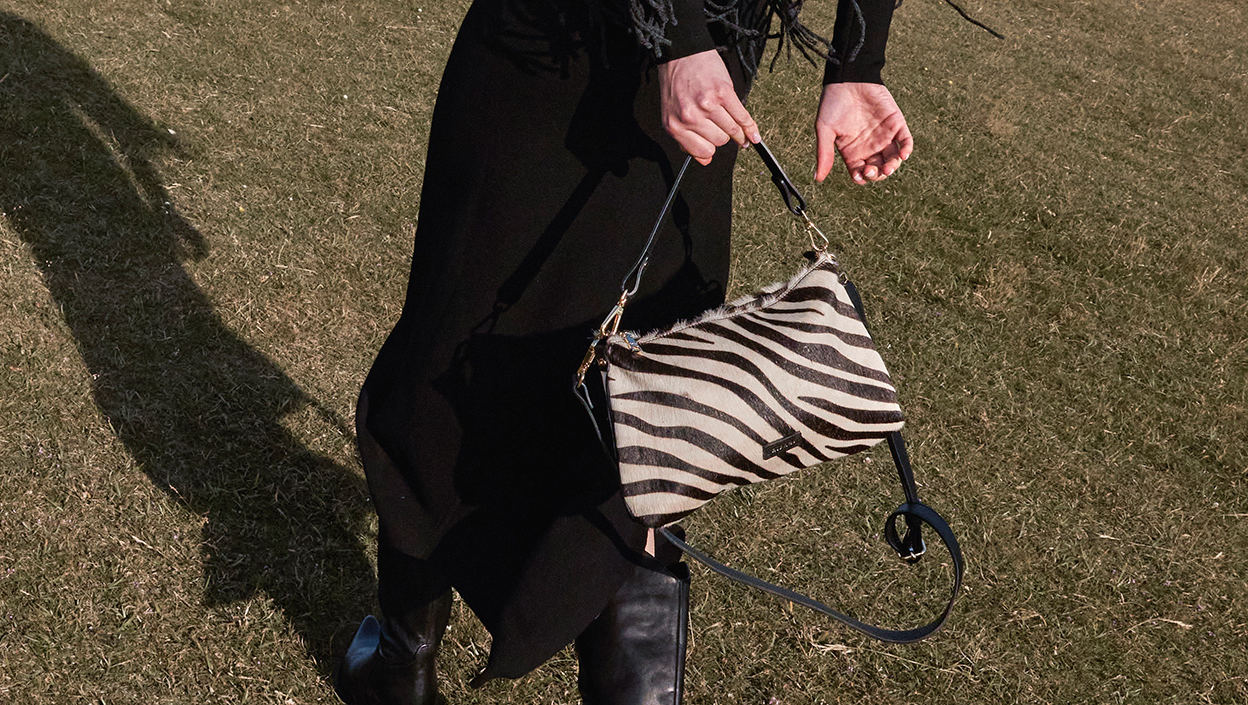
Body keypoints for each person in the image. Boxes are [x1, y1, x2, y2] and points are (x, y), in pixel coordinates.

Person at [337, 0, 911, 702]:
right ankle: (407, 662)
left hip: (637, 53)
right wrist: (846, 62)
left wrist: (842, 62)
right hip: (647, 53)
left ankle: (401, 665)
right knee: (631, 399)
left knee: (518, 359)